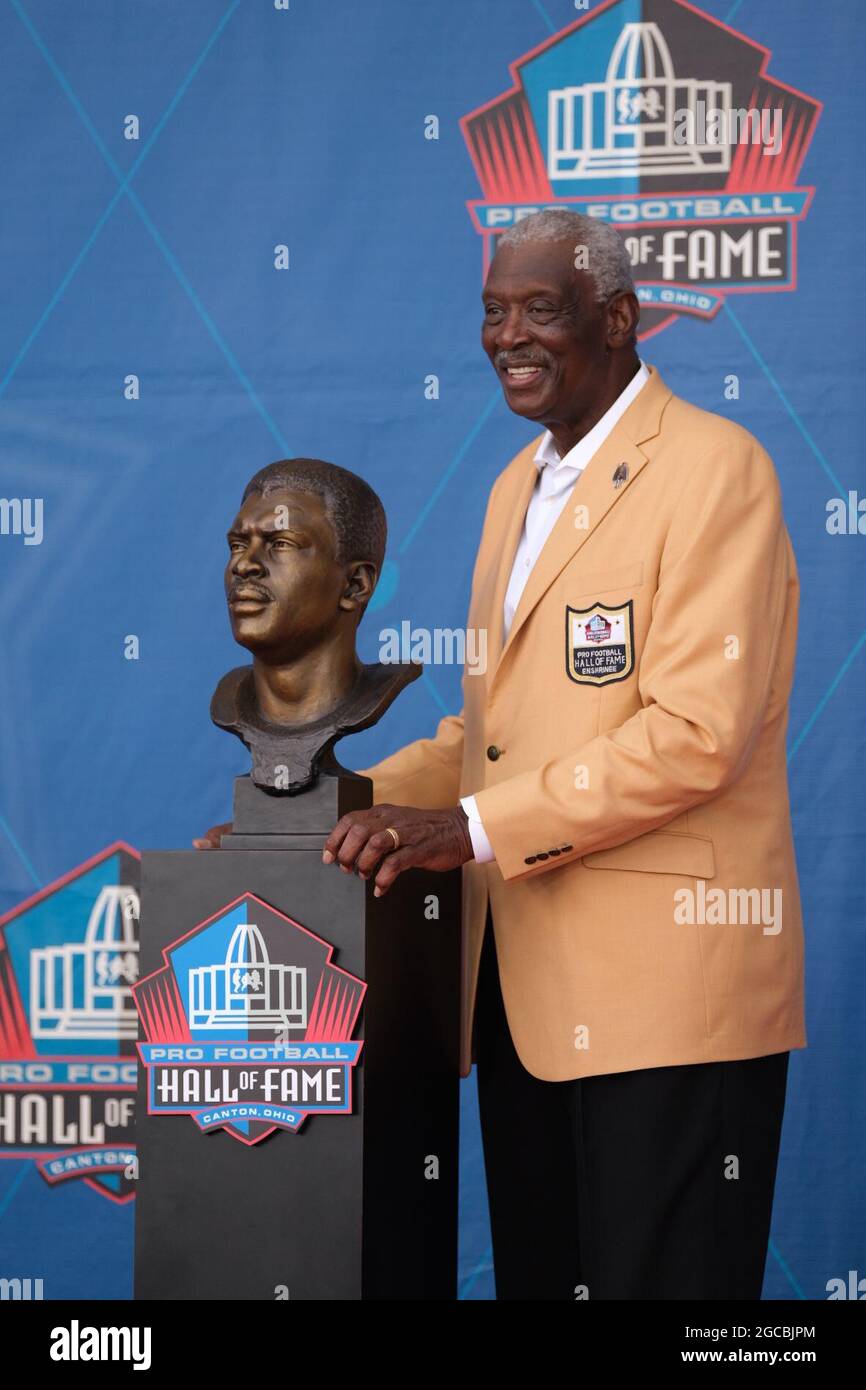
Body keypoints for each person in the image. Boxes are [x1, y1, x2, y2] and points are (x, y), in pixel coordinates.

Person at [314, 210, 806, 1300]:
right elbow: (488, 736)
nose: (507, 335)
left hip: (669, 1003)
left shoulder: (715, 470)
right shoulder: (513, 489)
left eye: (541, 308)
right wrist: (318, 808)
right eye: (492, 311)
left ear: (619, 318)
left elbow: (695, 734)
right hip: (520, 997)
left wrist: (474, 829)